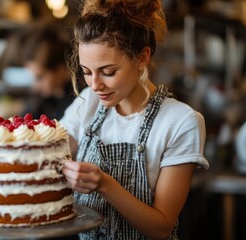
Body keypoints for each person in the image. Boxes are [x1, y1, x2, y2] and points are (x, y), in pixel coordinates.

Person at [60, 0, 209, 239]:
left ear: (142, 58)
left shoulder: (180, 121)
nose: (95, 84)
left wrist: (104, 184)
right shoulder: (88, 103)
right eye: (87, 72)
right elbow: (54, 154)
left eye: (108, 72)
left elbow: (160, 228)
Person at [21, 25, 76, 120]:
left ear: (62, 68)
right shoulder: (38, 100)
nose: (35, 87)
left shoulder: (80, 103)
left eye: (40, 77)